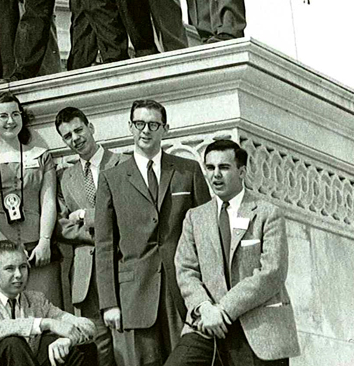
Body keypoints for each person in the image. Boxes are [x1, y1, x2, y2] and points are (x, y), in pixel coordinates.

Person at [95, 99, 212, 366]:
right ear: (130, 127)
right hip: (132, 296)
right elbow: (104, 246)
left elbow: (207, 237)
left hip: (181, 291)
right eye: (139, 124)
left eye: (152, 124)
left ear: (165, 129)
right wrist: (109, 303)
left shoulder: (188, 171)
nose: (145, 130)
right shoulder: (111, 178)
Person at [166, 140, 300, 366]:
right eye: (210, 168)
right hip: (207, 325)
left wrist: (225, 310)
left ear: (241, 172)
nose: (215, 175)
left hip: (257, 325)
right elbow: (185, 269)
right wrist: (204, 308)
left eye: (224, 168)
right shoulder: (194, 217)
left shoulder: (267, 213)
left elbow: (272, 273)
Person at [0, 92, 62, 307]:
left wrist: (45, 242)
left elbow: (48, 202)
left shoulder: (41, 156)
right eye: (2, 116)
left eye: (15, 114)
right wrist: (7, 248)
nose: (10, 121)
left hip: (38, 251)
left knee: (46, 310)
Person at [54, 107, 128, 366]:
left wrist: (87, 216)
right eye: (67, 136)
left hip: (121, 265)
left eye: (78, 130)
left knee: (127, 344)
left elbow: (127, 214)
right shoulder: (66, 177)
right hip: (86, 273)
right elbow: (61, 226)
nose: (74, 138)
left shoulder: (123, 163)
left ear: (91, 127)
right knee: (100, 348)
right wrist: (100, 231)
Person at [0, 240, 98, 366]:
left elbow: (88, 326)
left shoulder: (36, 300)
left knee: (78, 347)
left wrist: (69, 340)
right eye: (10, 268)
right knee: (12, 343)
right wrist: (44, 323)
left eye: (23, 267)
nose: (19, 274)